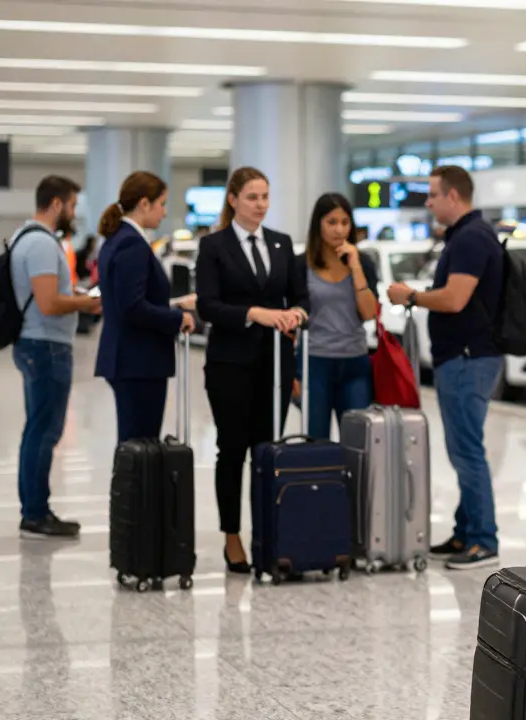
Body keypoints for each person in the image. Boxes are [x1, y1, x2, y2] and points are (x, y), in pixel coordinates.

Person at [386, 165, 503, 571]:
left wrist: (411, 296)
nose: (429, 202)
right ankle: (465, 531)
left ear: (454, 196)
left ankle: (483, 540)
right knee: (462, 449)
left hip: (469, 359)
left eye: (433, 194)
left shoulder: (471, 237)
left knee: (467, 450)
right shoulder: (466, 235)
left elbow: (455, 299)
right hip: (464, 358)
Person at [195, 167, 308, 574]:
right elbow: (207, 304)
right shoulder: (214, 246)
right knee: (233, 450)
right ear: (232, 200)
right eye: (252, 197)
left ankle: (267, 531)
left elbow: (300, 296)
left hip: (274, 363)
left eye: (265, 196)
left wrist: (296, 313)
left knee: (267, 450)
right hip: (230, 364)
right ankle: (232, 536)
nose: (260, 205)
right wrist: (254, 313)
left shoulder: (280, 244)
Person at [12, 175, 103, 539]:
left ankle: (33, 509)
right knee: (44, 431)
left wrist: (74, 292)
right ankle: (35, 513)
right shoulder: (42, 245)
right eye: (72, 205)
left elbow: (47, 293)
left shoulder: (25, 237)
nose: (74, 212)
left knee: (37, 428)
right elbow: (49, 304)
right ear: (56, 204)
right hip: (46, 345)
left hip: (34, 342)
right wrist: (88, 301)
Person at [94, 171, 196, 444]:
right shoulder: (132, 243)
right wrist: (176, 318)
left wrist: (174, 303)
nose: (164, 212)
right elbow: (132, 307)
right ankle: (134, 490)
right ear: (144, 203)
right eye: (161, 204)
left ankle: (132, 489)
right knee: (140, 448)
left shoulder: (118, 239)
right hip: (138, 362)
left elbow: (128, 299)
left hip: (130, 360)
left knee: (134, 446)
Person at [294, 192, 378, 440]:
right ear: (318, 224)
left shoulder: (364, 263)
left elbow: (369, 312)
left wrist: (355, 266)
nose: (339, 229)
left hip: (355, 361)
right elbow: (290, 317)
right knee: (316, 441)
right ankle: (319, 481)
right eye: (331, 222)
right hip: (315, 361)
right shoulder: (301, 264)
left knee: (357, 442)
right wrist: (292, 374)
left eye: (345, 222)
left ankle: (354, 482)